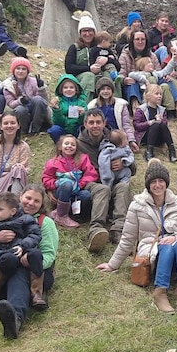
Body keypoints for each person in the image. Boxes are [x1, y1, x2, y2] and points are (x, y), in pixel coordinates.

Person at [98, 160, 177, 314]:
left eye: (161, 181)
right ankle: (160, 291)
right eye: (153, 182)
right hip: (152, 255)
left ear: (166, 183)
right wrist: (112, 265)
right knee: (166, 247)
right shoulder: (137, 205)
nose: (158, 185)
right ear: (148, 185)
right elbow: (128, 238)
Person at [0, 186, 58, 339]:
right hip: (4, 268)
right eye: (28, 198)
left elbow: (49, 255)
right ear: (20, 197)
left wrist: (27, 259)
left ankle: (15, 319)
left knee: (19, 274)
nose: (30, 203)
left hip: (36, 271)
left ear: (41, 205)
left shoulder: (45, 223)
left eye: (36, 201)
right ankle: (19, 298)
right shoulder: (2, 215)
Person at [77, 109, 133, 252]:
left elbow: (133, 166)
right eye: (91, 122)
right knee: (103, 189)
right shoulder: (78, 144)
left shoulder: (115, 139)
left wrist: (123, 163)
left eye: (98, 122)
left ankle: (118, 230)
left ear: (104, 123)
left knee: (123, 187)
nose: (95, 126)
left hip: (112, 181)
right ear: (85, 124)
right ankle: (96, 230)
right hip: (91, 182)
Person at [42, 134, 99, 228]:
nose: (69, 146)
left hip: (76, 192)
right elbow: (46, 178)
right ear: (60, 147)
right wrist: (56, 183)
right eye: (66, 143)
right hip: (61, 192)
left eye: (73, 145)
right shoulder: (53, 162)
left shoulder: (82, 159)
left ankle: (71, 214)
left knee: (86, 195)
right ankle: (61, 216)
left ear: (76, 148)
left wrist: (80, 184)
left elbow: (91, 174)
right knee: (67, 184)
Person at [65, 18, 118, 99]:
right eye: (84, 31)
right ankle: (84, 106)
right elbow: (69, 68)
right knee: (89, 76)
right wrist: (89, 69)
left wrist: (108, 60)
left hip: (100, 75)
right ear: (80, 33)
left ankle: (112, 105)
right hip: (81, 78)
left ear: (94, 32)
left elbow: (118, 66)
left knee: (108, 76)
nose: (87, 34)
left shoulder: (102, 47)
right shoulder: (75, 47)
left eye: (90, 31)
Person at [3, 57, 51, 135]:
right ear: (13, 70)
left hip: (36, 111)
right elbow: (10, 103)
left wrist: (41, 88)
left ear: (27, 71)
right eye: (18, 68)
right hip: (21, 112)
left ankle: (35, 129)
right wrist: (20, 101)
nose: (20, 71)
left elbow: (44, 101)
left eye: (23, 69)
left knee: (37, 99)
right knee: (20, 109)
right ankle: (23, 131)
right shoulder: (7, 85)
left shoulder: (33, 81)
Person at [87, 76, 137, 150]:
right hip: (99, 133)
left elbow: (126, 124)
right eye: (103, 89)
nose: (106, 91)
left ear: (112, 91)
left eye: (108, 89)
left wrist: (131, 140)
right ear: (98, 91)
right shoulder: (93, 105)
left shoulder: (120, 105)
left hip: (115, 134)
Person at [134, 83, 176, 162]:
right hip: (145, 137)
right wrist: (149, 123)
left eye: (160, 94)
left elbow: (165, 124)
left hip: (159, 138)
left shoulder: (162, 110)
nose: (159, 96)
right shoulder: (141, 109)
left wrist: (161, 120)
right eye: (156, 94)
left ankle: (172, 150)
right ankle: (149, 151)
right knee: (155, 125)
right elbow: (136, 125)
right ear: (148, 96)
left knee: (161, 125)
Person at [48, 74, 89, 144]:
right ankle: (60, 144)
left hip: (76, 130)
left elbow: (84, 122)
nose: (69, 89)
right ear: (61, 90)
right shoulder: (58, 102)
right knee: (54, 129)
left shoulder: (82, 102)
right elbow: (57, 122)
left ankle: (80, 143)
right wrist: (57, 110)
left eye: (71, 87)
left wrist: (83, 114)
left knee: (84, 129)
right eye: (65, 87)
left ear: (76, 89)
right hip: (63, 129)